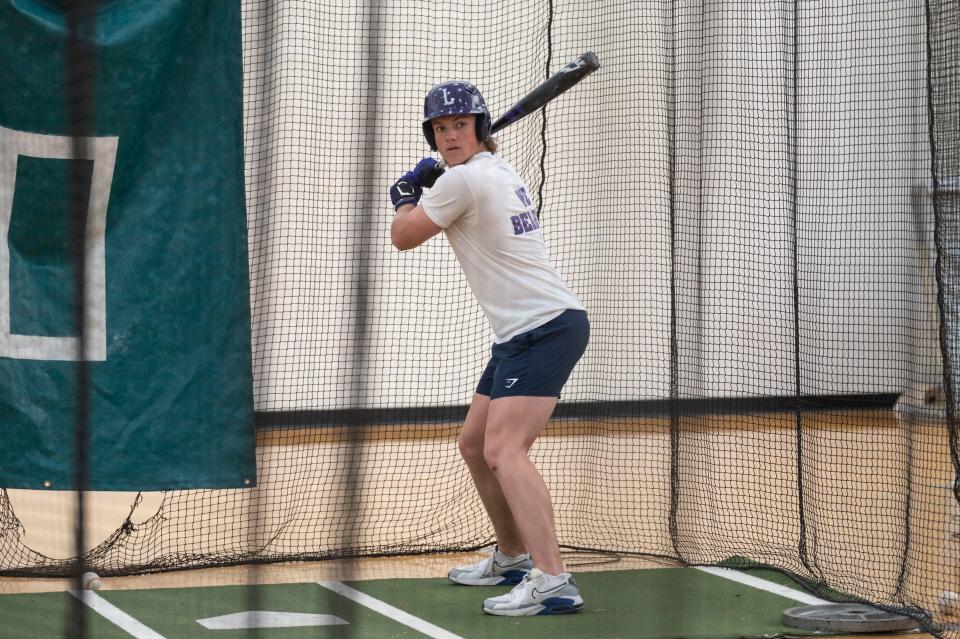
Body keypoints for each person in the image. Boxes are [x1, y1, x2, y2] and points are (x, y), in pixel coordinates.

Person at [389, 80, 589, 616]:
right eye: (439, 128)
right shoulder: (489, 172)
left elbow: (403, 236)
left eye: (459, 124)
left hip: (543, 328)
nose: (449, 135)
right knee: (475, 444)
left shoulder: (467, 182)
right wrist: (433, 184)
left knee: (504, 452)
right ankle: (513, 555)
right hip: (521, 332)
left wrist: (407, 193)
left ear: (480, 127)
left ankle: (554, 580)